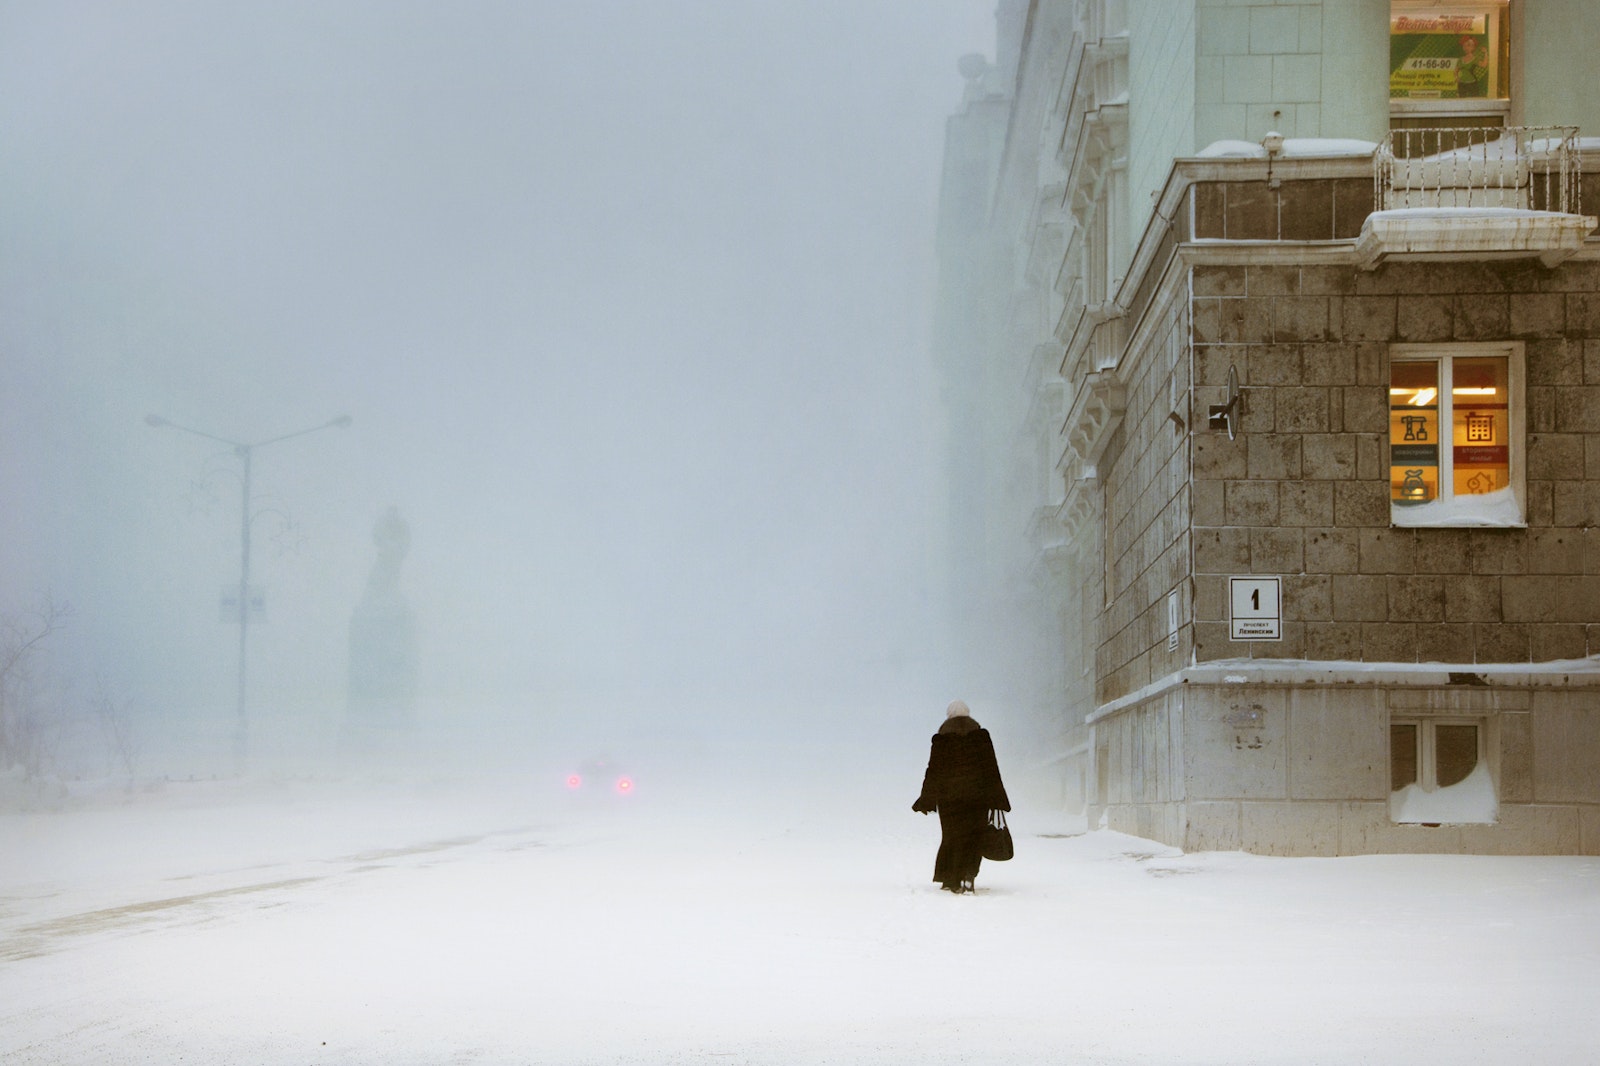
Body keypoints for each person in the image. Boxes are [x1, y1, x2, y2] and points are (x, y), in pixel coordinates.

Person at [912, 699, 1010, 894]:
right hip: (978, 797)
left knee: (952, 837)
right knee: (974, 836)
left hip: (949, 799)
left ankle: (951, 878)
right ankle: (968, 874)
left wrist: (927, 798)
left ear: (949, 715)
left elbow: (933, 771)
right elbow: (992, 768)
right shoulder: (981, 736)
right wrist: (998, 798)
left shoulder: (942, 738)